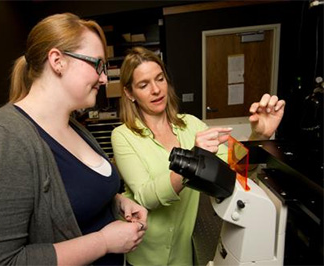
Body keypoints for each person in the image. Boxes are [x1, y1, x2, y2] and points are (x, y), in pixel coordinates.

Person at [0, 13, 148, 265]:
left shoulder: (76, 128)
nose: (104, 78)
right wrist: (103, 242)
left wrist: (116, 201)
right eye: (98, 65)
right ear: (58, 61)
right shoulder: (0, 137)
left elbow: (70, 195)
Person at [111, 47, 285, 266]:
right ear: (129, 93)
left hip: (184, 253)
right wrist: (194, 161)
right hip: (145, 253)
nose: (156, 90)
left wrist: (259, 135)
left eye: (160, 79)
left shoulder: (191, 124)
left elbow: (236, 166)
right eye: (144, 85)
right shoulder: (123, 136)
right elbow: (147, 197)